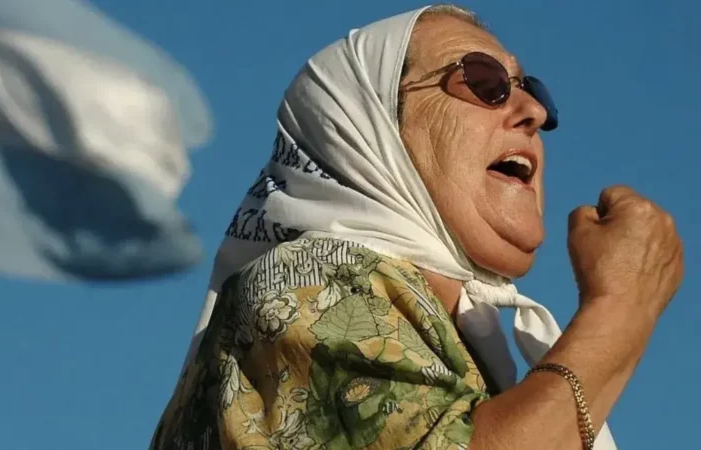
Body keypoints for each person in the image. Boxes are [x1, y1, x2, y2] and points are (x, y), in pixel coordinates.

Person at [150, 5, 683, 450]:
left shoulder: (458, 340)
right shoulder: (306, 280)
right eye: (484, 81)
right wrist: (622, 308)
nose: (533, 112)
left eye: (532, 88)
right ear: (370, 128)